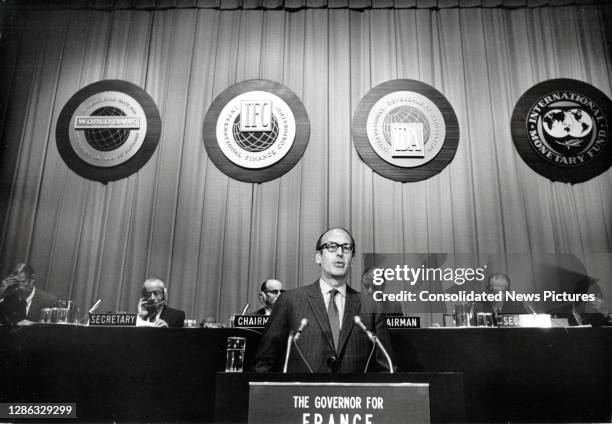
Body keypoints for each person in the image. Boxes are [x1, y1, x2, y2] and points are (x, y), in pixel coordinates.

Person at [254, 228, 394, 373]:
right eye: (332, 246)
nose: (340, 253)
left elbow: (387, 369)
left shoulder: (372, 307)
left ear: (352, 260)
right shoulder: (289, 301)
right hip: (301, 395)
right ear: (318, 257)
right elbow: (265, 363)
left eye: (346, 248)